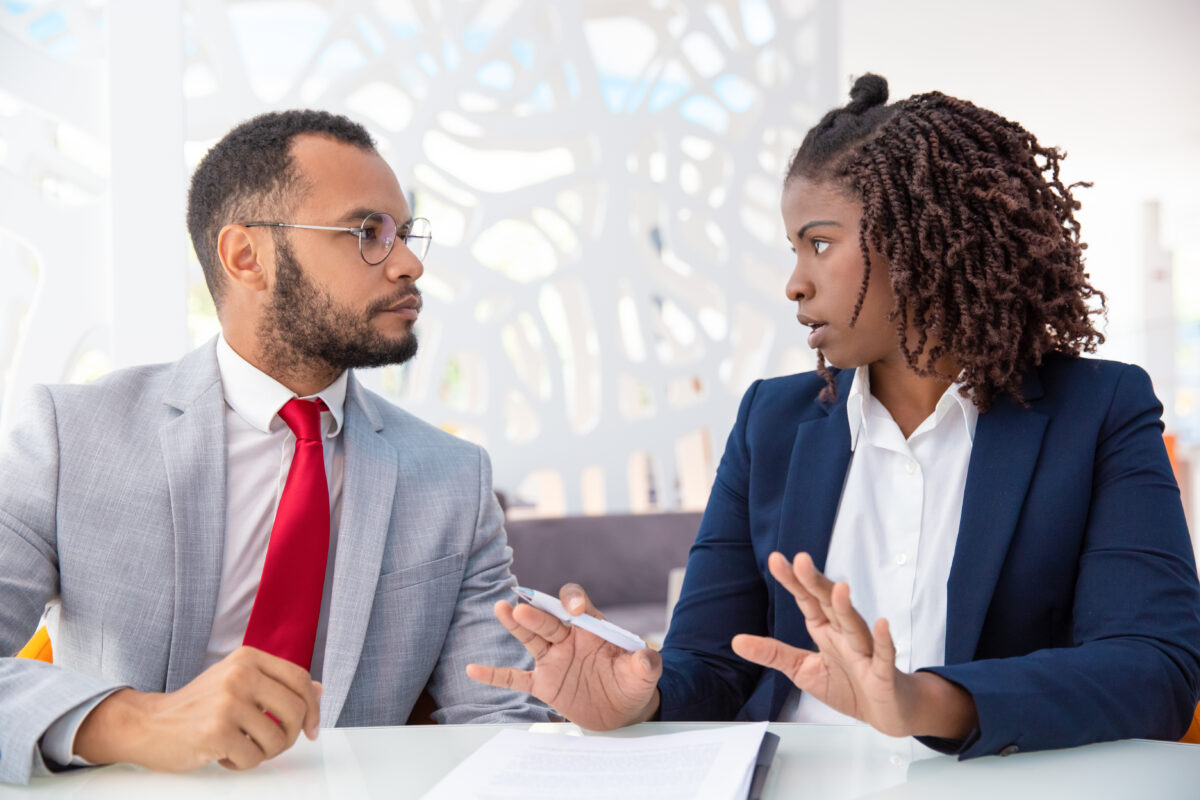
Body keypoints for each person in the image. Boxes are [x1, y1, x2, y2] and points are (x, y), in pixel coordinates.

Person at [467, 75, 1200, 756]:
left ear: (926, 239)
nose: (794, 282)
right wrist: (642, 698)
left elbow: (1154, 670)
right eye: (794, 248)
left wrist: (926, 702)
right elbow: (716, 665)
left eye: (820, 242)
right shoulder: (771, 422)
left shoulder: (1097, 411)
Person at [0, 110, 550, 785]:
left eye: (405, 235)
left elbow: (497, 728)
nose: (409, 263)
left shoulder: (454, 479)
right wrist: (137, 721)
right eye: (366, 232)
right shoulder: (71, 436)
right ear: (245, 257)